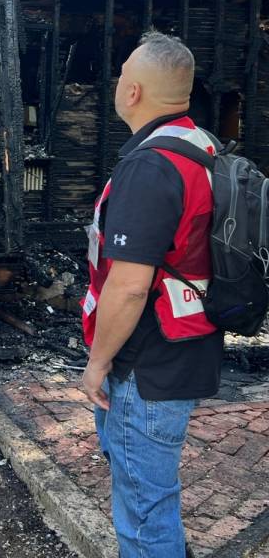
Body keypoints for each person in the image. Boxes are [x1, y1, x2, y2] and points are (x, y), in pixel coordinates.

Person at [80, 31, 224, 558]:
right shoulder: (201, 147)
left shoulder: (149, 165)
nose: (117, 83)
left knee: (143, 514)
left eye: (121, 75)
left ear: (134, 91)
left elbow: (130, 284)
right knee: (153, 499)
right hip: (186, 346)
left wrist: (98, 363)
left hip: (145, 364)